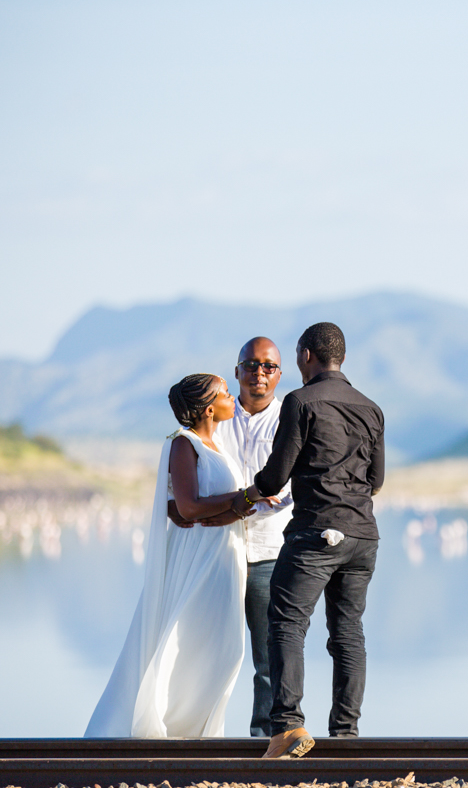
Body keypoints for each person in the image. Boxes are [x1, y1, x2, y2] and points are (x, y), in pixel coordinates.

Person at [86, 374, 267, 738]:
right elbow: (186, 506)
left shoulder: (216, 446)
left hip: (225, 557)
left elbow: (217, 506)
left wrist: (245, 503)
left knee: (225, 647)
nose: (235, 399)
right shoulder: (184, 445)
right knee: (190, 638)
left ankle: (198, 732)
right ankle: (166, 725)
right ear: (210, 407)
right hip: (198, 557)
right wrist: (245, 498)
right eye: (227, 394)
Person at [245, 322, 385, 759]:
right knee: (348, 633)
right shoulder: (371, 408)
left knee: (286, 623)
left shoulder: (300, 401)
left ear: (306, 356)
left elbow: (275, 474)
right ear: (340, 357)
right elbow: (377, 479)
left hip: (315, 534)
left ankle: (287, 727)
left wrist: (252, 492)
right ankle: (345, 733)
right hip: (363, 535)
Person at [169, 337, 293, 738]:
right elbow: (190, 490)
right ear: (237, 370)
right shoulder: (215, 416)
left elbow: (287, 491)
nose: (259, 373)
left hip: (267, 552)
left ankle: (266, 738)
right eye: (251, 364)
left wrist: (238, 507)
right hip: (215, 553)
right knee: (203, 648)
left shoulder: (290, 418)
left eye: (268, 366)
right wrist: (231, 506)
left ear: (279, 373)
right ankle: (190, 731)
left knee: (267, 656)